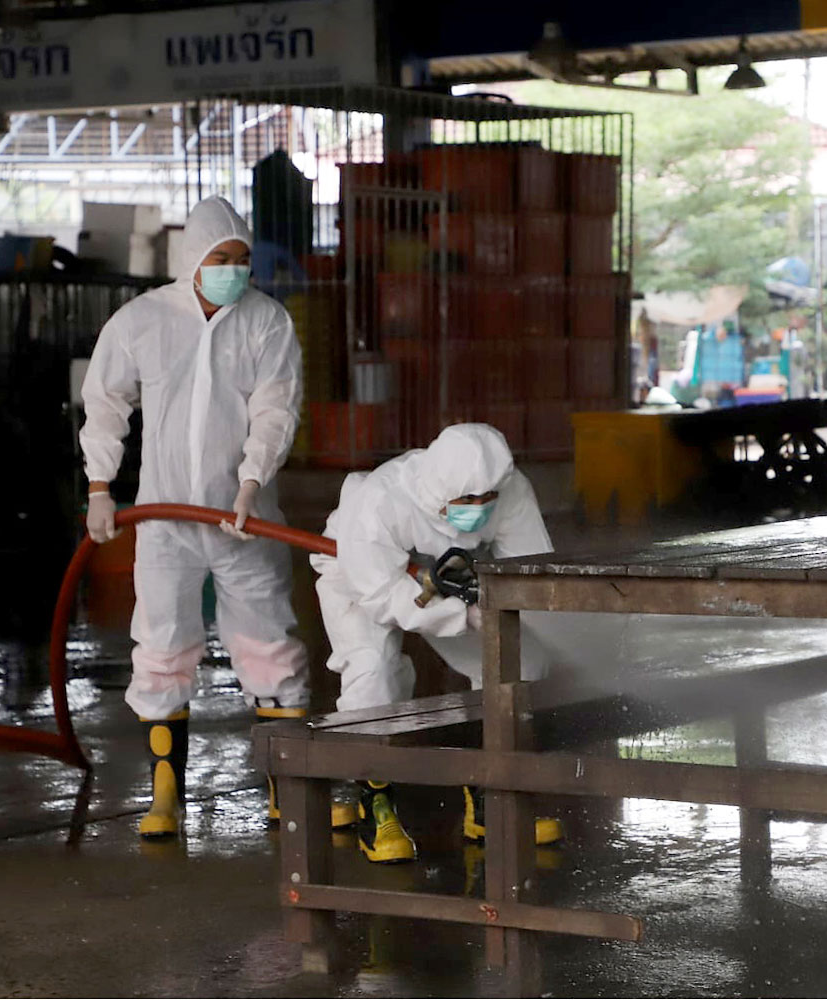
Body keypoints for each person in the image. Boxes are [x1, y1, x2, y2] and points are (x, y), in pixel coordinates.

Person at [79, 196, 311, 839]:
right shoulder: (142, 321)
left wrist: (252, 479)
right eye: (220, 259)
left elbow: (276, 411)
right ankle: (165, 797)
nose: (233, 270)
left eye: (242, 260)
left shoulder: (266, 322)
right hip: (165, 523)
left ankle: (282, 788)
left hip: (245, 519)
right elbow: (105, 403)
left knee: (269, 647)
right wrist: (100, 486)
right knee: (161, 647)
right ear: (193, 262)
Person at [310, 423, 562, 863]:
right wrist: (461, 613)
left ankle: (491, 791)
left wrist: (504, 609)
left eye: (488, 499)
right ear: (439, 493)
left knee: (515, 660)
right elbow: (380, 594)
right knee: (372, 672)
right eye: (468, 502)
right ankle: (376, 802)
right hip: (358, 575)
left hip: (452, 581)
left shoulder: (508, 488)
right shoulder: (382, 501)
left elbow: (531, 567)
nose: (481, 509)